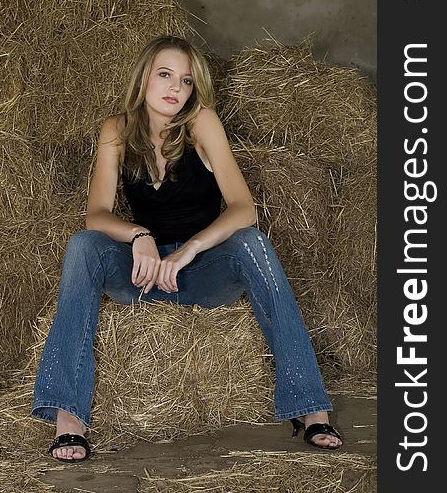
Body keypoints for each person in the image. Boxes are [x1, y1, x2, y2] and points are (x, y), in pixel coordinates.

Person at [31, 34, 343, 463]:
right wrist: (139, 236)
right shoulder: (116, 130)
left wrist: (190, 249)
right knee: (84, 246)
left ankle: (310, 407)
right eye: (164, 75)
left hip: (199, 271)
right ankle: (69, 420)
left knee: (253, 243)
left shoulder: (202, 124)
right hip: (141, 273)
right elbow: (97, 214)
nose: (176, 88)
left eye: (186, 80)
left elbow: (243, 208)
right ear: (143, 80)